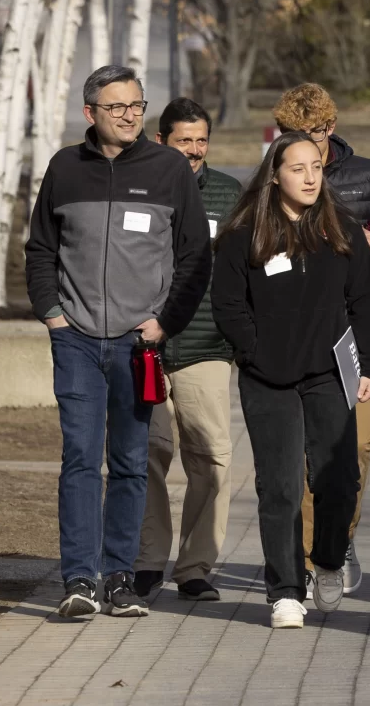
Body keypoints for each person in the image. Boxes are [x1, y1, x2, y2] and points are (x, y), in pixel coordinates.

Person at [24, 65, 212, 620]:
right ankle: (79, 580)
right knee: (81, 459)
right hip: (76, 341)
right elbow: (40, 250)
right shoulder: (64, 168)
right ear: (90, 114)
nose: (130, 115)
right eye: (117, 107)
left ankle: (121, 579)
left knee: (131, 463)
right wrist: (53, 316)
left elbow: (195, 257)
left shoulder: (169, 168)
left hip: (138, 344)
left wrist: (163, 323)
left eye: (137, 105)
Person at [210, 130, 370, 629]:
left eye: (316, 167)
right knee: (281, 485)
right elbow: (227, 304)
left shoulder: (343, 230)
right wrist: (254, 350)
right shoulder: (244, 234)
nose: (310, 177)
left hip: (329, 374)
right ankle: (285, 591)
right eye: (297, 168)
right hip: (268, 379)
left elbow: (365, 301)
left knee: (338, 480)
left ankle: (328, 561)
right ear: (275, 175)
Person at [274, 82, 370, 592]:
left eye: (310, 133)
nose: (301, 144)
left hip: (351, 336)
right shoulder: (275, 174)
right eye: (290, 134)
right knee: (310, 455)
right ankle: (310, 563)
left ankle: (340, 534)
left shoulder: (367, 174)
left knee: (356, 450)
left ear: (330, 129)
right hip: (296, 333)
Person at [137, 98, 243, 602]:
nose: (195, 150)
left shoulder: (227, 194)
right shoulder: (136, 188)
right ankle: (146, 561)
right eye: (185, 140)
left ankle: (196, 566)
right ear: (162, 141)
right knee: (147, 454)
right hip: (143, 347)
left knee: (212, 458)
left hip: (206, 346)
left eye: (202, 140)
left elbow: (244, 269)